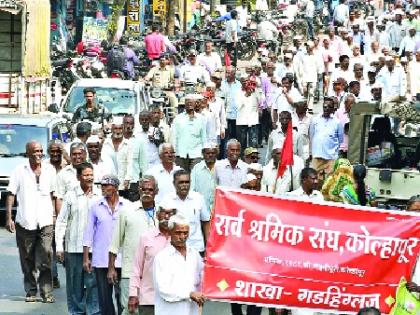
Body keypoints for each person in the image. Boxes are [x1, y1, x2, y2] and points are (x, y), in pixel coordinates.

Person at [5, 141, 57, 303]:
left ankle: (47, 291)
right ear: (27, 153)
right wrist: (8, 218)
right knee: (27, 258)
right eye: (35, 151)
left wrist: (56, 215)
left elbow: (54, 195)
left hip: (46, 221)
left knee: (46, 255)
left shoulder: (50, 170)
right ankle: (31, 290)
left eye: (41, 151)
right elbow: (11, 194)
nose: (39, 154)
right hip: (25, 221)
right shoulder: (19, 170)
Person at [108, 176, 159, 315]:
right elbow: (114, 242)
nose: (146, 192)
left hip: (156, 273)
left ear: (156, 191)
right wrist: (111, 268)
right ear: (138, 190)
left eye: (150, 189)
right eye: (143, 189)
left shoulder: (162, 213)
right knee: (131, 310)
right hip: (130, 271)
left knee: (152, 310)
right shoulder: (127, 211)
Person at [55, 162, 101, 314]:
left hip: (95, 249)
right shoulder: (70, 195)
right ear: (78, 177)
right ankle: (76, 312)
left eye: (91, 174)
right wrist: (60, 247)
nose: (89, 178)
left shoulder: (99, 196)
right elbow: (61, 222)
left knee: (93, 284)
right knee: (75, 286)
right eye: (85, 175)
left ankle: (93, 312)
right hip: (74, 248)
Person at [83, 174, 130, 315]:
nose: (102, 188)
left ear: (115, 188)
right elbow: (88, 232)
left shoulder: (127, 206)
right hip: (101, 259)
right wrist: (86, 257)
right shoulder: (96, 206)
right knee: (105, 299)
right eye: (101, 186)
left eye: (106, 185)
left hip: (123, 258)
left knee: (122, 296)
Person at [128, 205, 176, 315]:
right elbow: (136, 267)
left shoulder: (179, 240)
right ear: (157, 215)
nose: (167, 216)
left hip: (173, 299)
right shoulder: (146, 237)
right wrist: (133, 294)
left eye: (171, 213)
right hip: (149, 299)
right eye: (164, 213)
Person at [153, 215, 205, 315]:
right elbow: (163, 289)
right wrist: (189, 294)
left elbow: (203, 276)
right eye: (178, 233)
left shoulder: (194, 254)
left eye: (185, 233)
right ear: (169, 232)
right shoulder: (162, 257)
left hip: (191, 311)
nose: (182, 237)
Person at [160, 170, 210, 254]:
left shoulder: (198, 198)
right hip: (174, 249)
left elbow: (206, 222)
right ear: (174, 183)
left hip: (196, 248)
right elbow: (162, 224)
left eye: (187, 182)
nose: (184, 185)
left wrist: (208, 245)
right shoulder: (167, 200)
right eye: (181, 182)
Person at [309, 97, 344, 178]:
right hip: (317, 156)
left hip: (330, 158)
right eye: (325, 106)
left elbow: (340, 140)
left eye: (329, 107)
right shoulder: (315, 120)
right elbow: (312, 136)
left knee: (330, 182)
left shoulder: (337, 122)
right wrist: (311, 152)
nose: (326, 108)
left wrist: (333, 152)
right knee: (315, 180)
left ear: (333, 109)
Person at [172, 95, 206, 172]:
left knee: (195, 175)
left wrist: (204, 153)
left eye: (191, 102)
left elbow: (204, 138)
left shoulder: (201, 119)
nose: (189, 104)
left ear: (195, 104)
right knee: (183, 177)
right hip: (181, 154)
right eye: (187, 102)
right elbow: (174, 137)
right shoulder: (178, 119)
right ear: (184, 104)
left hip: (197, 153)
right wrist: (173, 153)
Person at [101, 118, 132, 199]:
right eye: (115, 128)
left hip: (122, 183)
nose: (118, 131)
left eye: (120, 128)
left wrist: (127, 179)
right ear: (111, 129)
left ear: (123, 129)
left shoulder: (128, 144)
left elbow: (130, 163)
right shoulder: (105, 143)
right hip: (108, 183)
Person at [56, 142, 88, 212]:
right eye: (74, 154)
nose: (77, 157)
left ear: (85, 155)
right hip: (71, 217)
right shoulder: (62, 174)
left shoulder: (93, 170)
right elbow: (60, 198)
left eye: (80, 153)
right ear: (70, 155)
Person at [191, 144, 218, 215]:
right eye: (208, 153)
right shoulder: (197, 168)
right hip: (201, 209)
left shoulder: (221, 167)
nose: (210, 155)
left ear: (216, 154)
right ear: (203, 154)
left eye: (213, 153)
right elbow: (192, 189)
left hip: (218, 210)